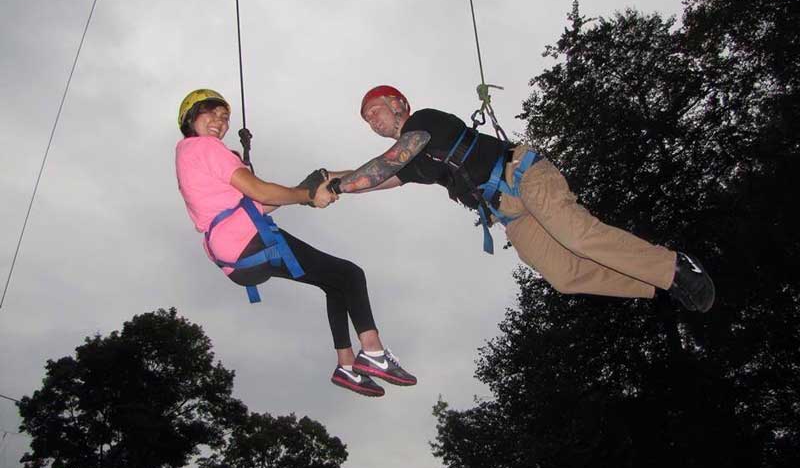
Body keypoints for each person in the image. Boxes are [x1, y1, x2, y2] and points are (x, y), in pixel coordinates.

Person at [323, 85, 715, 312]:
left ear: (399, 104)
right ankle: (656, 281)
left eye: (375, 111)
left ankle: (673, 265)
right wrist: (323, 181)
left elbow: (383, 166)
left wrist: (341, 186)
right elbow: (376, 179)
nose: (372, 121)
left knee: (578, 236)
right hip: (510, 212)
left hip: (523, 176)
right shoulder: (411, 166)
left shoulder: (422, 122)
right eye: (367, 119)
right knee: (565, 276)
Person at [174, 88, 417, 397]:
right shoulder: (205, 148)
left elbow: (261, 204)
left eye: (224, 118)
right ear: (190, 117)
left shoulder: (190, 155)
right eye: (211, 113)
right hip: (248, 242)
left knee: (334, 282)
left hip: (236, 257)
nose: (219, 122)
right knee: (350, 275)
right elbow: (262, 193)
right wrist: (307, 197)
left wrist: (306, 190)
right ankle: (373, 352)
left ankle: (346, 365)